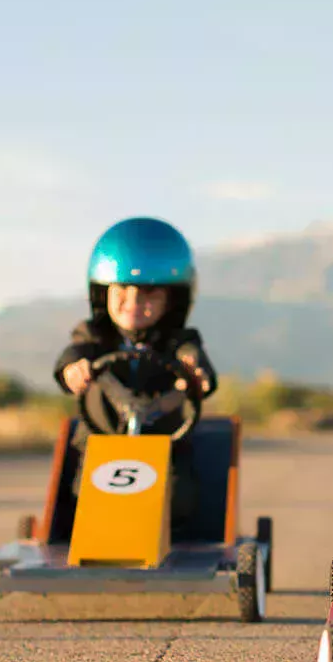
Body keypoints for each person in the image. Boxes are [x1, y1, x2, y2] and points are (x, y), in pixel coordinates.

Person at [52, 217, 217, 538]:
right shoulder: (93, 335)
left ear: (171, 301)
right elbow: (74, 354)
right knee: (79, 493)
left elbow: (196, 361)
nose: (133, 304)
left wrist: (195, 372)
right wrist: (73, 369)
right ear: (103, 295)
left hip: (164, 444)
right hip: (100, 441)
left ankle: (165, 541)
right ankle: (91, 538)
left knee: (181, 496)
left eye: (148, 296)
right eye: (122, 293)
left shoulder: (180, 341)